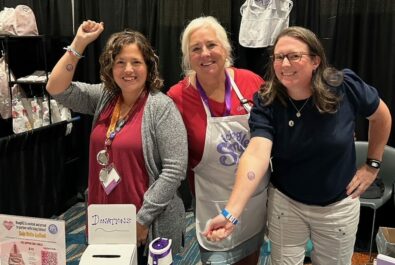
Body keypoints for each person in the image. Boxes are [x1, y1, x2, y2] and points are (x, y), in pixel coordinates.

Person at [203, 26, 392, 265]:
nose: (284, 64)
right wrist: (231, 212)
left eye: (294, 56)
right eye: (279, 57)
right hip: (287, 204)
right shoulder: (267, 99)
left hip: (337, 206)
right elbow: (257, 153)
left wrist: (372, 166)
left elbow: (381, 117)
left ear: (315, 60)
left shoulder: (342, 84)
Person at [46, 20, 188, 264]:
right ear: (111, 68)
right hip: (104, 218)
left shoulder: (161, 106)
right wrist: (79, 43)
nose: (128, 69)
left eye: (136, 62)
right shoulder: (104, 97)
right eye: (120, 62)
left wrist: (142, 220)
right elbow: (56, 87)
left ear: (148, 66)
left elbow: (175, 170)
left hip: (145, 223)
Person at [167, 16, 269, 265]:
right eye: (195, 48)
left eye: (211, 45)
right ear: (187, 57)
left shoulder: (251, 82)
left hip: (254, 200)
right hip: (212, 202)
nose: (205, 54)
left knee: (251, 259)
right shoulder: (178, 97)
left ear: (225, 49)